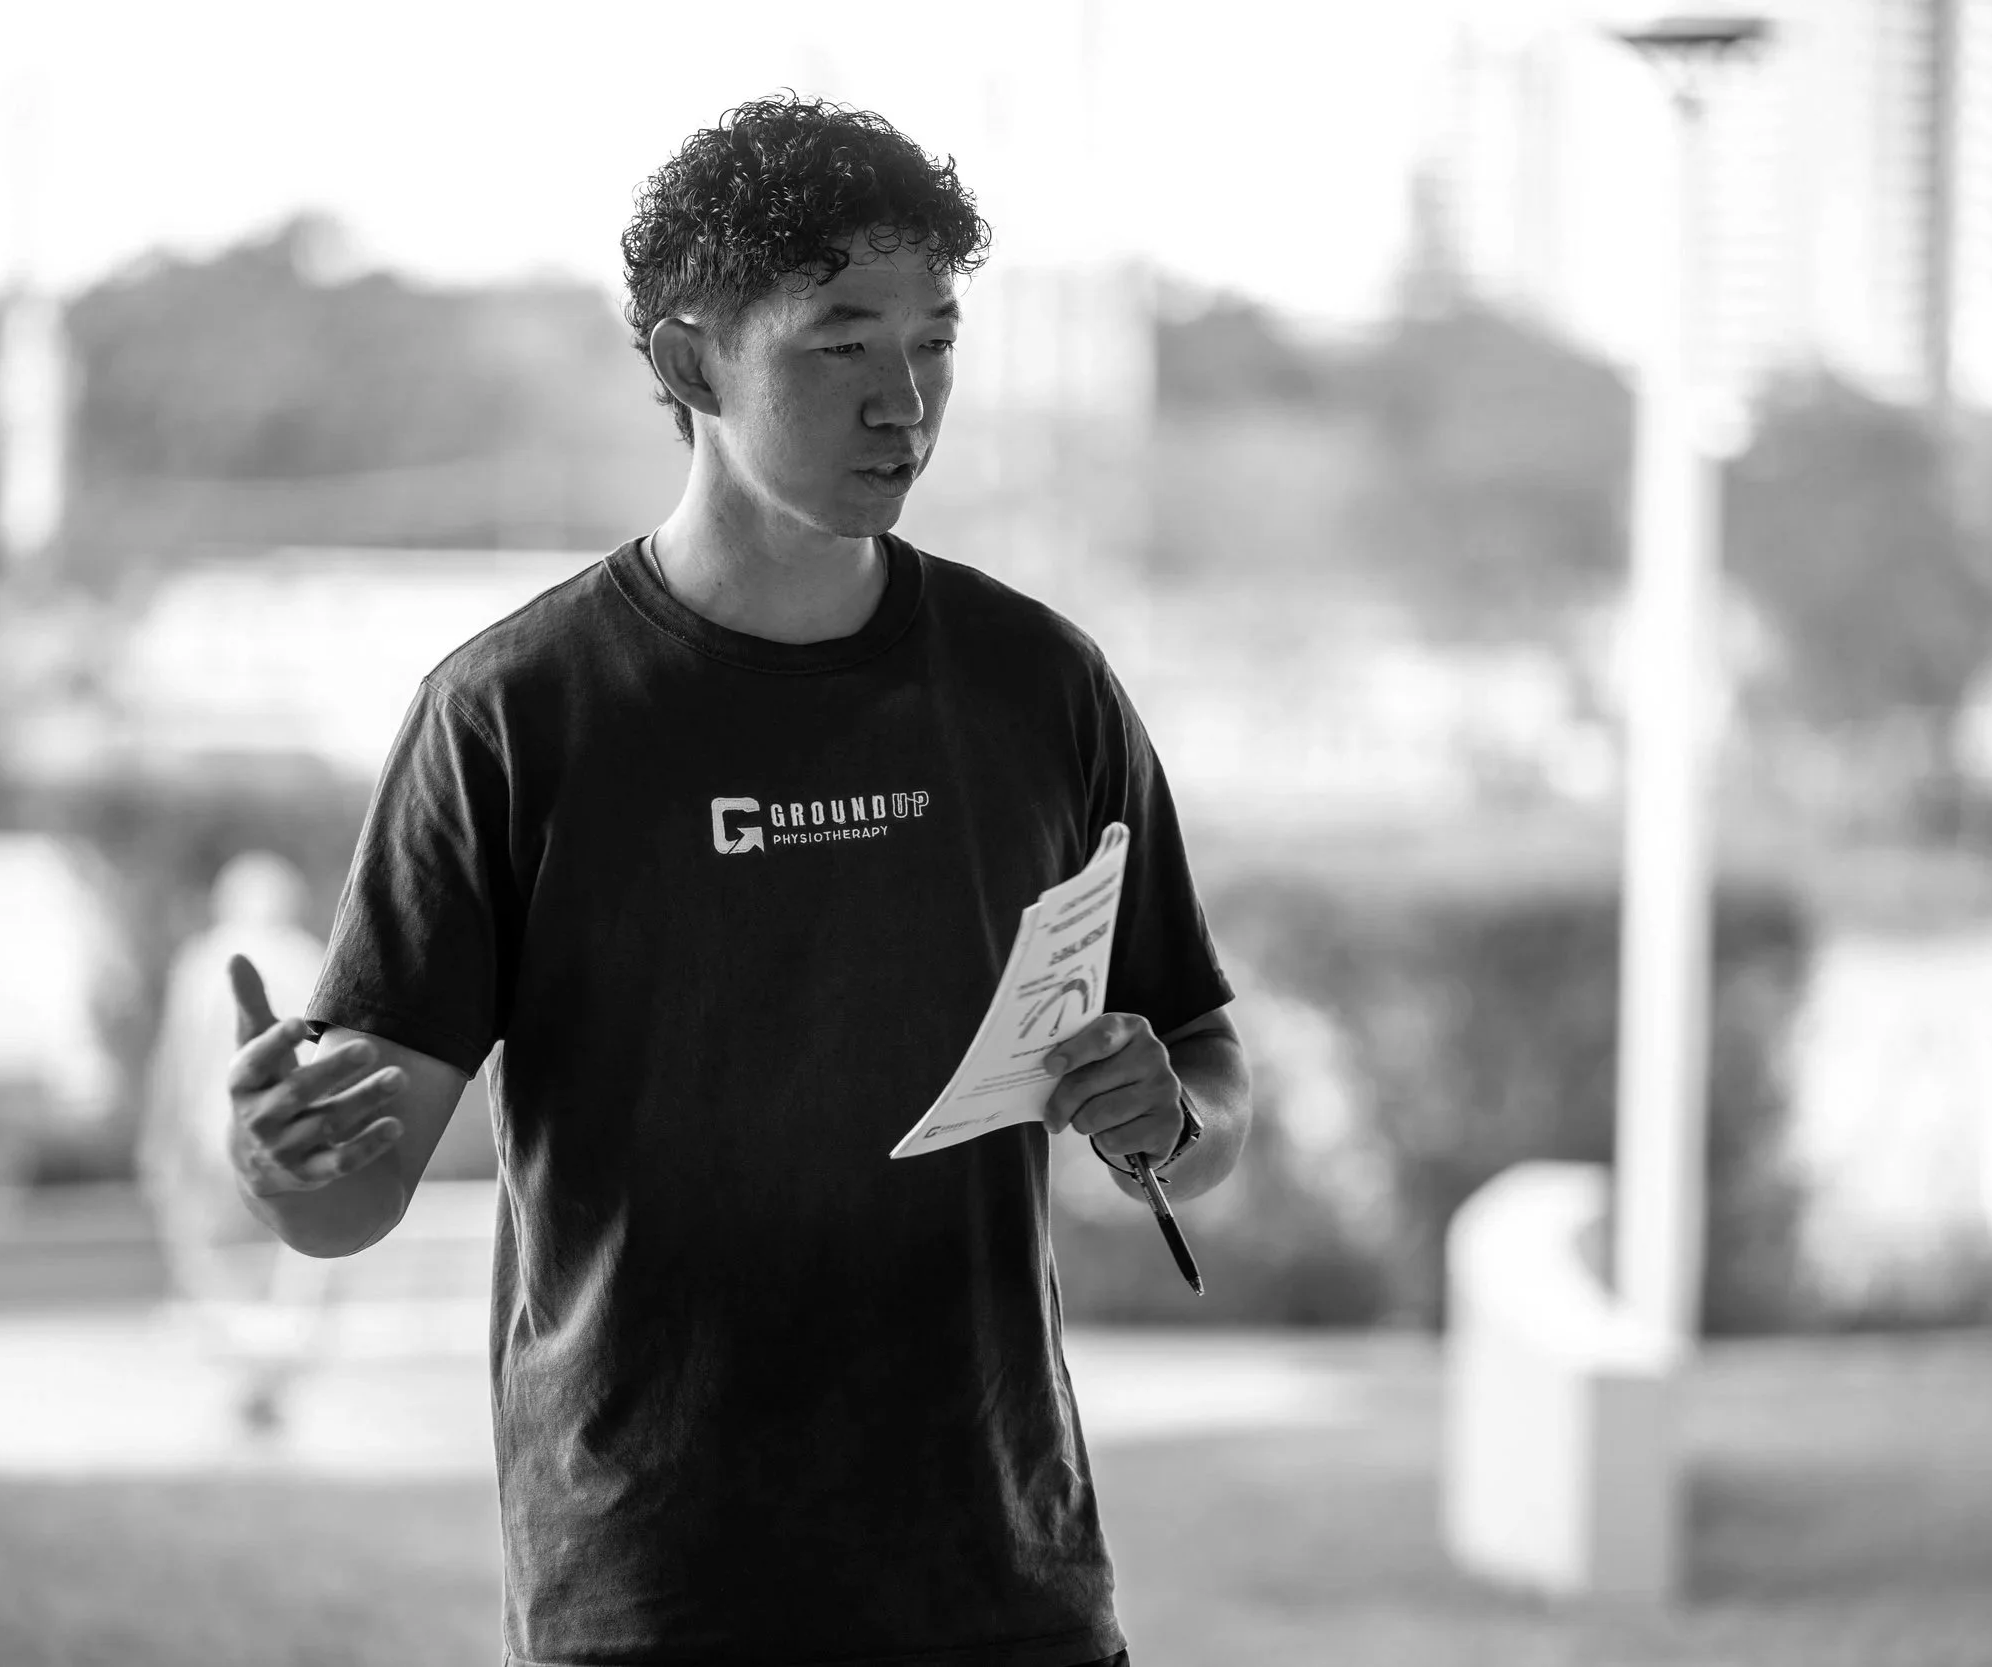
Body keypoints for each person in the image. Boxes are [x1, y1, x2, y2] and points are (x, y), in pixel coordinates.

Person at [223, 93, 1250, 1667]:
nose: (905, 401)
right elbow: (350, 1194)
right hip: (652, 1587)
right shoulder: (514, 713)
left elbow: (1204, 1073)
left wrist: (1168, 1116)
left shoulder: (1041, 686)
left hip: (1004, 1581)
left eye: (936, 341)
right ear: (691, 360)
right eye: (840, 344)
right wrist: (286, 1162)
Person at [140, 849, 339, 1432]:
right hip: (295, 1138)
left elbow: (175, 1061)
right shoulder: (311, 960)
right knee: (292, 1266)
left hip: (218, 1136)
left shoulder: (203, 962)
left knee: (219, 1261)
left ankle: (251, 1378)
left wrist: (160, 1140)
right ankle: (268, 1379)